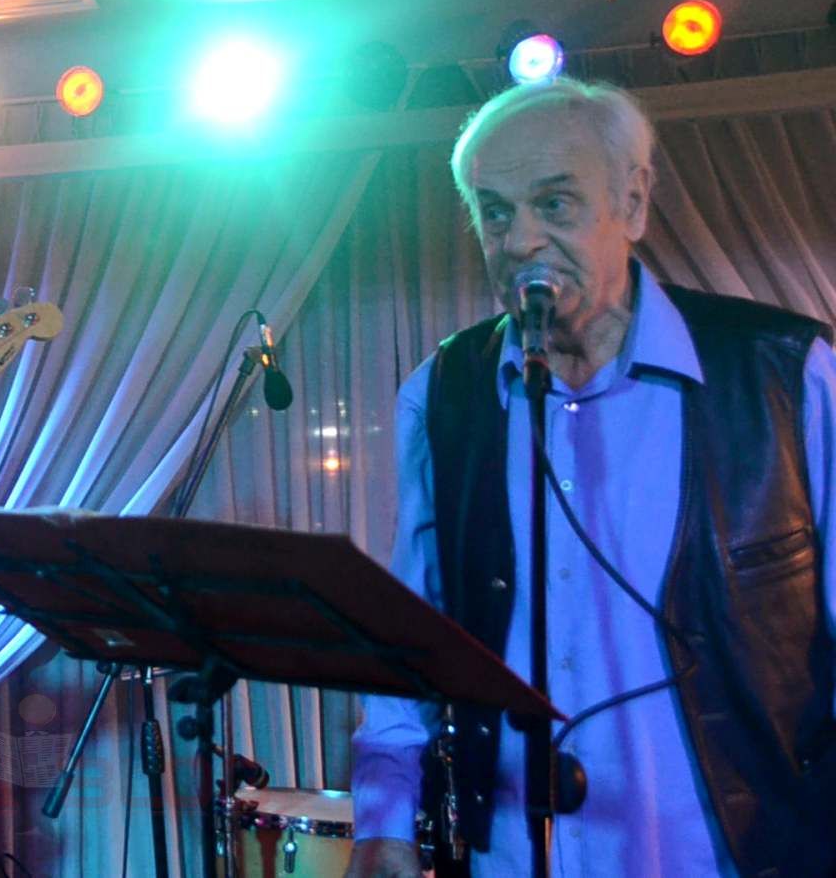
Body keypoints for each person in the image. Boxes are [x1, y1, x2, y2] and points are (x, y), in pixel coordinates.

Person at [345, 78, 836, 876]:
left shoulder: (786, 375)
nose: (519, 240)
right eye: (494, 212)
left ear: (633, 205)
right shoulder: (445, 394)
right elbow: (411, 638)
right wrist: (384, 820)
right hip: (514, 857)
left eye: (555, 204)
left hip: (737, 856)